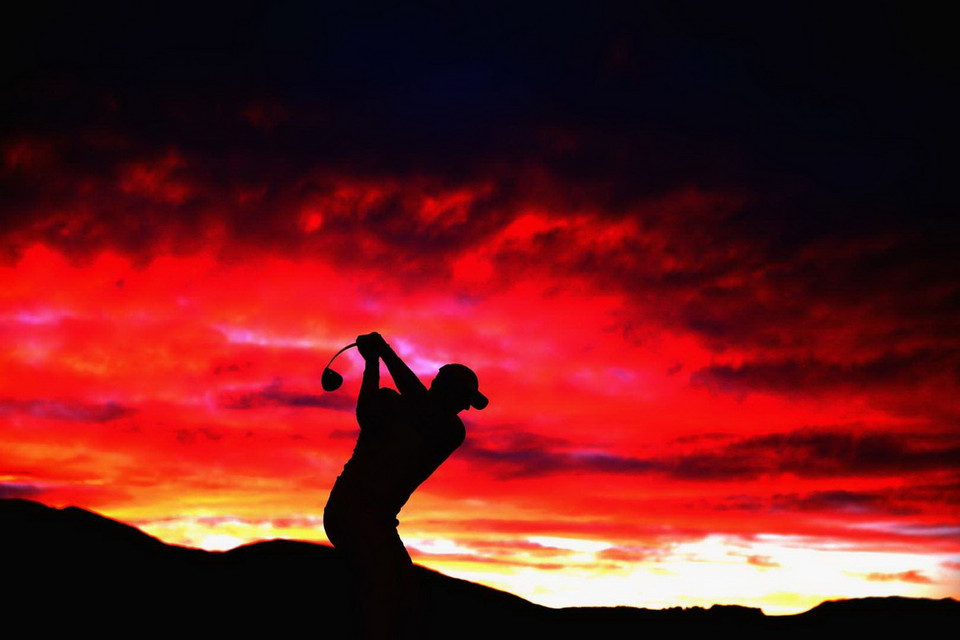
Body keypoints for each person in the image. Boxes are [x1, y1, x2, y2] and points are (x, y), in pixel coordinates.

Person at [323, 332, 488, 639]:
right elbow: (368, 414)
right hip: (353, 510)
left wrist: (382, 354)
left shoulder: (450, 430)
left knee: (405, 596)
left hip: (376, 519)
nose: (466, 408)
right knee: (383, 594)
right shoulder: (397, 405)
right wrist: (373, 362)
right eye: (465, 399)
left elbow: (421, 407)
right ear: (447, 390)